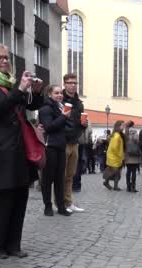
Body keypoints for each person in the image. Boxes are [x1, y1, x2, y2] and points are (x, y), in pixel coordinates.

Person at [0, 42, 44, 259]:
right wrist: (20, 89)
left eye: (6, 57)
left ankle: (14, 245)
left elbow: (30, 107)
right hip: (0, 148)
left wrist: (36, 92)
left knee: (21, 195)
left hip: (20, 147)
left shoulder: (12, 82)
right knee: (3, 197)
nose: (4, 61)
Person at [38, 85, 71, 217]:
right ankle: (48, 206)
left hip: (61, 146)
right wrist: (63, 117)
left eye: (60, 93)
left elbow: (64, 126)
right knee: (47, 178)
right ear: (49, 94)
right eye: (56, 93)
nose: (59, 95)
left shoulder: (60, 107)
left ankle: (61, 206)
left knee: (60, 178)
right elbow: (49, 127)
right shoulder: (46, 108)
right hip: (50, 146)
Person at [62, 73, 86, 213]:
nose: (73, 85)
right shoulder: (60, 99)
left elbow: (80, 124)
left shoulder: (79, 103)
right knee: (61, 174)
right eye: (70, 82)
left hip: (75, 142)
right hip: (63, 141)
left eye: (75, 83)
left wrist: (84, 125)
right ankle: (59, 202)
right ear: (65, 84)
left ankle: (69, 202)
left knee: (71, 174)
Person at [103, 120, 125, 191]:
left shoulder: (117, 134)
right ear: (118, 126)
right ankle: (106, 182)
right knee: (114, 172)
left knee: (116, 172)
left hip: (114, 156)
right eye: (122, 125)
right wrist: (120, 156)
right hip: (115, 157)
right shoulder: (117, 136)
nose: (124, 127)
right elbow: (115, 148)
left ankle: (115, 186)